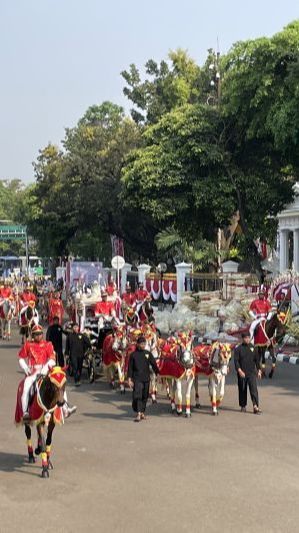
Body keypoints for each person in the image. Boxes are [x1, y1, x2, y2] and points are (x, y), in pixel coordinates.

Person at [18, 324, 76, 421]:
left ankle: (66, 409)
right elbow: (21, 358)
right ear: (32, 335)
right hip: (33, 372)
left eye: (40, 334)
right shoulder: (28, 345)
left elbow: (52, 359)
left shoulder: (48, 344)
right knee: (26, 388)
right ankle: (25, 412)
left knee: (60, 384)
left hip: (46, 371)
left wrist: (45, 369)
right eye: (36, 334)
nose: (38, 336)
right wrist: (25, 368)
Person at [128, 336, 159, 422]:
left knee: (145, 396)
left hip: (146, 378)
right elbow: (130, 368)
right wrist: (129, 379)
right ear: (137, 344)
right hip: (137, 378)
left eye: (144, 343)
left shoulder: (148, 353)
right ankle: (138, 413)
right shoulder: (133, 355)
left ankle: (142, 412)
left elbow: (154, 364)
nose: (143, 345)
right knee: (138, 395)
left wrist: (158, 373)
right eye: (141, 344)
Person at [234, 332, 262, 414]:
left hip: (251, 373)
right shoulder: (238, 349)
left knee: (254, 390)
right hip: (242, 373)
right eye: (245, 338)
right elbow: (236, 361)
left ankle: (255, 406)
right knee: (242, 389)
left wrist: (259, 370)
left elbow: (257, 360)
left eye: (248, 337)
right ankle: (243, 406)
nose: (247, 339)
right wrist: (239, 371)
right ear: (242, 339)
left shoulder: (253, 348)